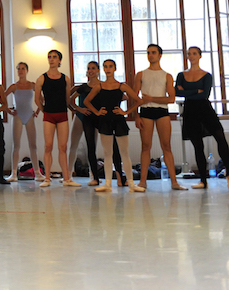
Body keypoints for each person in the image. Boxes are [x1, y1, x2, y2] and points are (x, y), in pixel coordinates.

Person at [84, 59, 144, 193]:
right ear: (103, 69)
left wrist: (126, 112)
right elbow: (86, 101)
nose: (108, 69)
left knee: (124, 152)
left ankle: (131, 183)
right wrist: (97, 112)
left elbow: (138, 100)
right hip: (105, 120)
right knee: (107, 153)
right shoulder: (99, 86)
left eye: (110, 66)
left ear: (115, 68)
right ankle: (108, 183)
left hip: (118, 120)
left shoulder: (121, 86)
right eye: (105, 66)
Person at [133, 44, 186, 191]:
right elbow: (135, 97)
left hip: (162, 112)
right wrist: (136, 115)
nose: (150, 55)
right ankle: (142, 181)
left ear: (160, 55)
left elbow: (171, 99)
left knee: (166, 146)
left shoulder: (167, 76)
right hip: (145, 111)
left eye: (153, 52)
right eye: (148, 52)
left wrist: (151, 98)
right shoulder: (141, 74)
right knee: (145, 146)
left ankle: (174, 182)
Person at [175, 46, 229, 189]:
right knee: (198, 146)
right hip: (190, 111)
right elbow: (176, 93)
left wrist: (186, 91)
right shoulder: (181, 75)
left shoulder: (207, 75)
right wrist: (194, 91)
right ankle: (203, 181)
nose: (191, 56)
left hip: (205, 109)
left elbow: (204, 95)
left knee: (220, 138)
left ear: (200, 56)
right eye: (189, 54)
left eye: (194, 53)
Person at [69, 61, 125, 186]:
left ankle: (121, 177)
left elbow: (122, 96)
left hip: (103, 118)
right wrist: (80, 109)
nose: (90, 70)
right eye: (89, 68)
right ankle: (94, 177)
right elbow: (71, 100)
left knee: (113, 147)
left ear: (98, 70)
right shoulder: (83, 87)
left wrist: (118, 109)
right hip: (88, 118)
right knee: (91, 147)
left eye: (93, 68)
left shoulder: (103, 85)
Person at [34, 50, 80, 188]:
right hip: (49, 115)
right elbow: (37, 100)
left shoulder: (65, 78)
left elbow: (67, 99)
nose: (51, 59)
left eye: (54, 57)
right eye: (49, 57)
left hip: (62, 114)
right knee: (48, 146)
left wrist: (66, 108)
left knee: (63, 147)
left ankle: (67, 178)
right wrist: (44, 111)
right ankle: (47, 178)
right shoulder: (41, 78)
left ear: (60, 60)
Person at [4, 62, 44, 182]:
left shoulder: (32, 85)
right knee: (16, 146)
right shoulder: (13, 86)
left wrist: (37, 111)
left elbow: (41, 99)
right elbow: (2, 98)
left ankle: (37, 173)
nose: (21, 71)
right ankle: (14, 174)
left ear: (27, 70)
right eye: (19, 69)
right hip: (18, 116)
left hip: (29, 115)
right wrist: (9, 111)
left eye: (23, 69)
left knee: (33, 145)